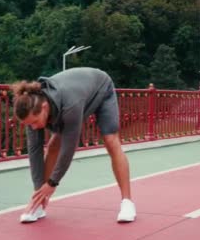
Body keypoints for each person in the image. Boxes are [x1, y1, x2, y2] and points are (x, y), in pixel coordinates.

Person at [11, 67, 136, 223]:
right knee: (53, 144)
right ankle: (40, 205)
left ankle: (127, 202)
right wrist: (39, 190)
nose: (34, 127)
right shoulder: (31, 108)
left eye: (35, 122)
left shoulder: (70, 105)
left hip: (101, 89)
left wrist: (52, 183)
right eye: (30, 125)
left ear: (44, 107)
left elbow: (69, 148)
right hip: (76, 96)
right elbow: (35, 151)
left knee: (111, 140)